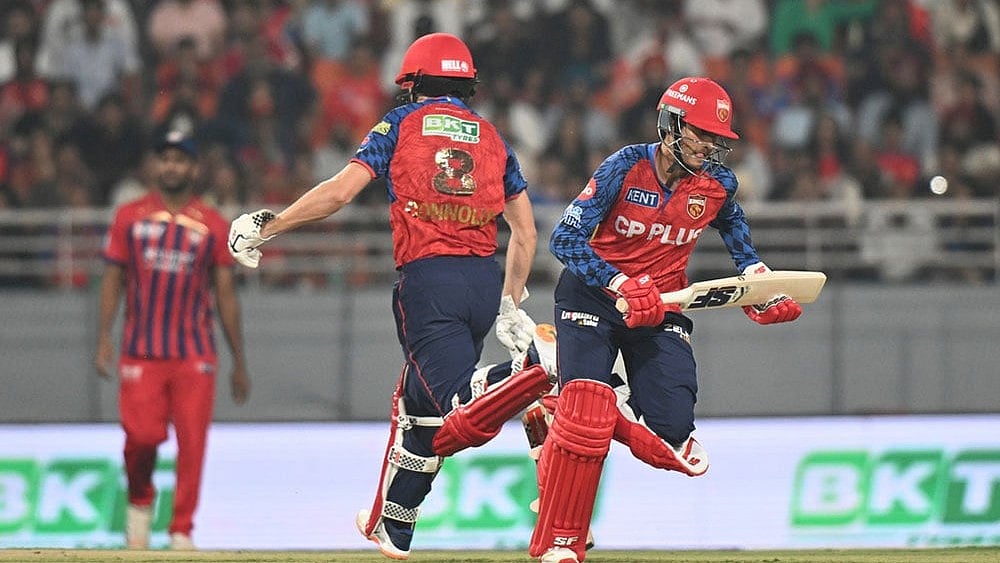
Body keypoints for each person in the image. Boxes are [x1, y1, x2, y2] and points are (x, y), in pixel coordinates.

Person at [227, 32, 549, 560]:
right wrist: (510, 303)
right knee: (417, 404)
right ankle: (394, 526)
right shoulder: (493, 137)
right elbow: (526, 233)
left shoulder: (400, 123)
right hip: (482, 283)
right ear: (468, 85)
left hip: (430, 280)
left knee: (457, 406)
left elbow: (340, 192)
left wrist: (271, 226)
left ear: (414, 82)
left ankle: (535, 370)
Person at [530, 77, 803, 563]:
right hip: (594, 299)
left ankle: (579, 387)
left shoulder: (717, 184)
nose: (711, 146)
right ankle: (563, 538)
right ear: (671, 126)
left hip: (662, 306)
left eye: (717, 138)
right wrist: (620, 283)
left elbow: (741, 243)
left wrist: (760, 290)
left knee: (674, 433)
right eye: (700, 133)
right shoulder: (624, 166)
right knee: (584, 415)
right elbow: (564, 242)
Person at [94, 130, 252, 550]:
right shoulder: (129, 216)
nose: (172, 167)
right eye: (165, 159)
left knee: (193, 445)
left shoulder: (212, 224)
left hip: (194, 353)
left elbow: (225, 294)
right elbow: (112, 279)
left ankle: (181, 529)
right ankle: (139, 503)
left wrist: (239, 361)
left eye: (180, 160)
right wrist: (103, 339)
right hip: (141, 350)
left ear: (194, 169)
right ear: (154, 166)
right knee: (141, 437)